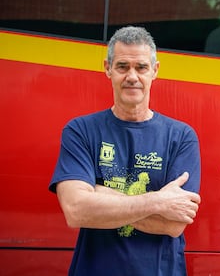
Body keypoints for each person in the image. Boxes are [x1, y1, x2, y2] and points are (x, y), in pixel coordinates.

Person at [49, 26, 201, 276]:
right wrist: (158, 201)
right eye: (122, 67)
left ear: (155, 70)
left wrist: (99, 196)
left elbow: (174, 224)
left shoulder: (181, 137)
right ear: (108, 69)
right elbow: (76, 211)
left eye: (141, 67)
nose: (132, 76)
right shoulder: (81, 130)